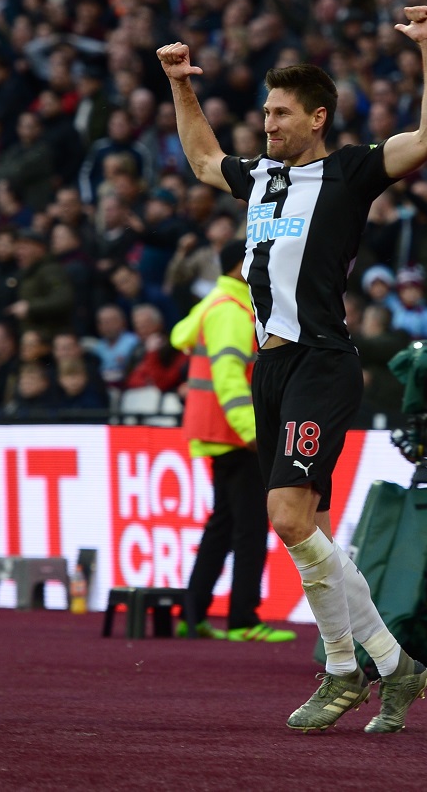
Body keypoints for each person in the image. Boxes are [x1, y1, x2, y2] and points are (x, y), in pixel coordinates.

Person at [158, 4, 427, 734]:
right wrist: (180, 86)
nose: (269, 124)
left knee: (285, 517)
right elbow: (199, 158)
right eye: (265, 112)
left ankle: (348, 670)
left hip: (321, 362)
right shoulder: (258, 177)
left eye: (282, 113)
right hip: (272, 371)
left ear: (318, 118)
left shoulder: (350, 172)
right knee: (307, 531)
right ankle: (396, 668)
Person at [171, 244, 294, 643]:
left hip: (216, 432)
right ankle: (243, 619)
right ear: (242, 266)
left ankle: (193, 615)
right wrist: (252, 433)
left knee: (222, 526)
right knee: (249, 528)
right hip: (234, 436)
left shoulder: (217, 304)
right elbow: (227, 378)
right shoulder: (232, 311)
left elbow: (180, 336)